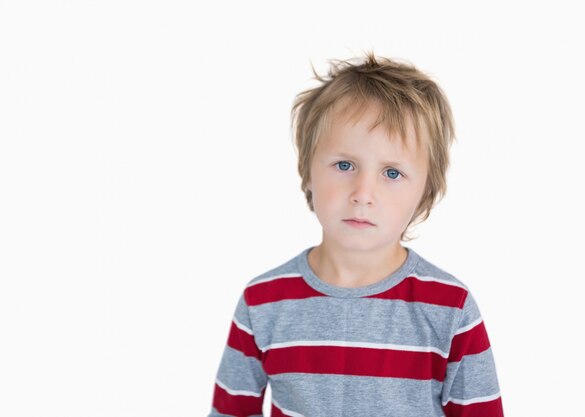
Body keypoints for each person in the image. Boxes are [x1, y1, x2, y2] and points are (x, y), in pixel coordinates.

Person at [206, 52, 504, 417]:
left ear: (425, 192)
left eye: (392, 173)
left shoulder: (450, 310)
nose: (363, 193)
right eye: (344, 165)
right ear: (308, 172)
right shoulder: (262, 303)